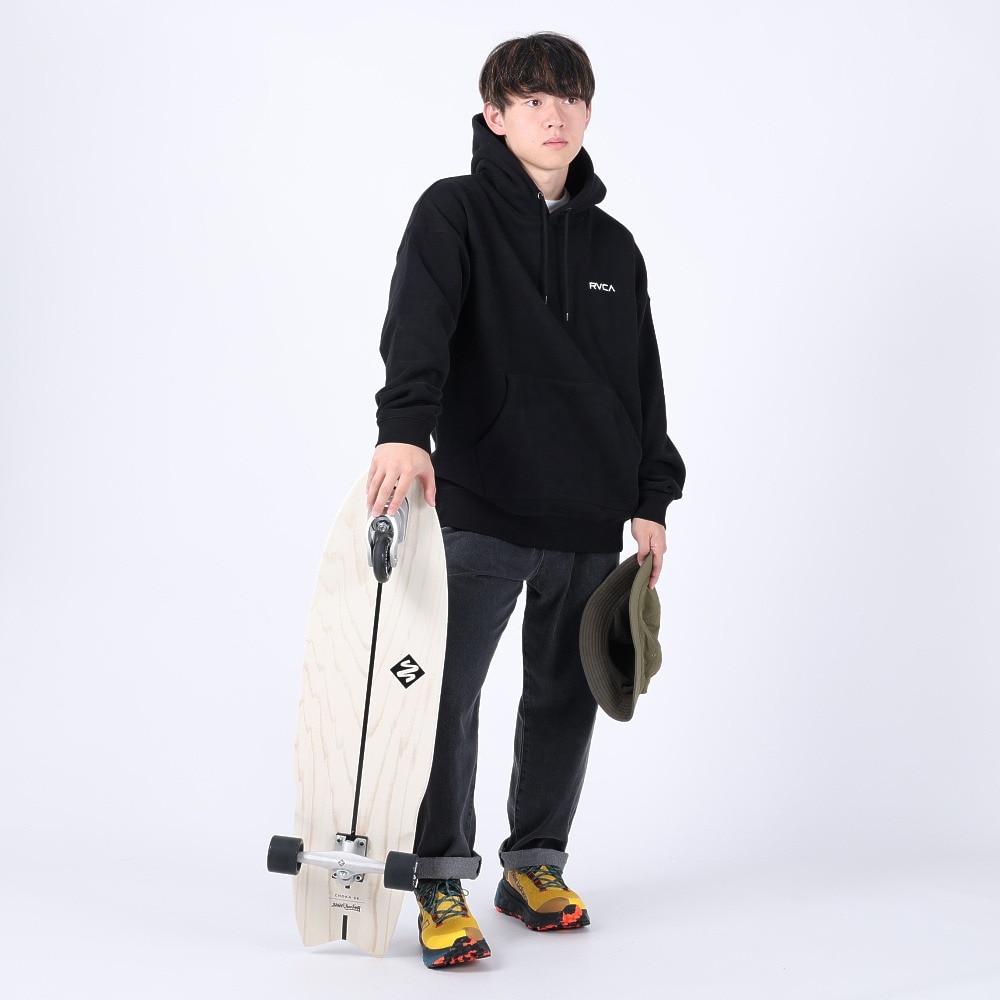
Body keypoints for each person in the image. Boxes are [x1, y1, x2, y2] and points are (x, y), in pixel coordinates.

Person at [366, 32, 685, 969]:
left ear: (587, 113)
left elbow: (641, 381)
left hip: (588, 516)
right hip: (479, 504)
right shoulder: (454, 213)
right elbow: (417, 326)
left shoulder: (614, 246)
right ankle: (438, 876)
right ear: (495, 115)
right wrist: (402, 429)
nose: (556, 115)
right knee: (446, 698)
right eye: (534, 99)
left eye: (570, 98)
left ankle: (534, 864)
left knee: (563, 697)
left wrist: (652, 495)